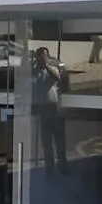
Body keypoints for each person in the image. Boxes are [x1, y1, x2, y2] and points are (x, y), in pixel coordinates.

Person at [31, 46, 70, 174]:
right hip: (43, 110)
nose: (44, 58)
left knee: (59, 141)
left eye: (45, 55)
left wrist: (46, 66)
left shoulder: (51, 69)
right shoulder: (34, 71)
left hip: (54, 109)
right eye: (41, 56)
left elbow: (57, 77)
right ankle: (49, 167)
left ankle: (63, 165)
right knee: (47, 143)